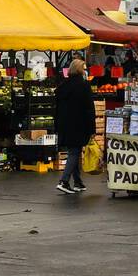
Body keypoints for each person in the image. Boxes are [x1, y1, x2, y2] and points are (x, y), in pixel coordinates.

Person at [55, 58, 96, 195]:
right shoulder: (83, 86)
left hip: (64, 125)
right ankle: (64, 181)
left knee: (74, 151)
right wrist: (92, 129)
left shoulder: (63, 86)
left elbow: (57, 108)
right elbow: (89, 109)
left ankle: (78, 182)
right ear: (80, 70)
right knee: (74, 152)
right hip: (79, 124)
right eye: (84, 68)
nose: (85, 71)